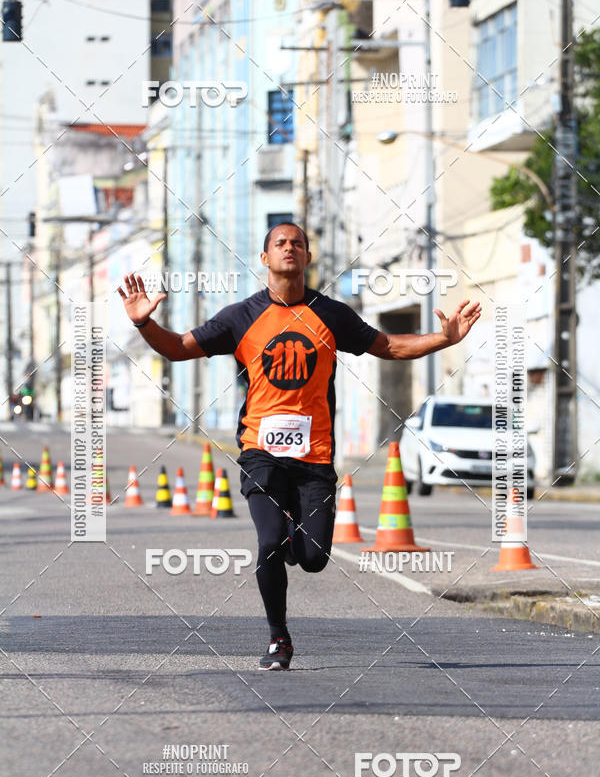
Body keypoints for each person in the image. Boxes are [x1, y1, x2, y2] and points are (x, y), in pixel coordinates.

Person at [118, 223, 480, 670]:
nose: (289, 248)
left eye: (298, 244)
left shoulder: (331, 315)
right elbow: (176, 348)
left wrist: (444, 338)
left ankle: (296, 536)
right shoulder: (240, 317)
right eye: (280, 243)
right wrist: (143, 322)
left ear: (308, 258)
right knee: (268, 542)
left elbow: (388, 345)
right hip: (260, 454)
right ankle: (278, 638)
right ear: (265, 258)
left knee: (312, 559)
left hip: (314, 459)